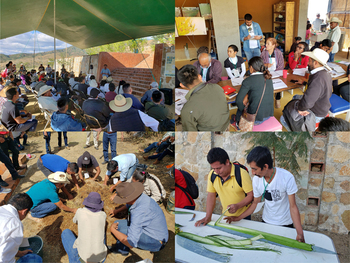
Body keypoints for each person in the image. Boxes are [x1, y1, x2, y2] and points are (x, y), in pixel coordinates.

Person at [228, 146, 305, 243]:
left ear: (265, 166)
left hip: (285, 223)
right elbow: (255, 203)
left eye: (255, 169)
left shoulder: (286, 177)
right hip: (266, 222)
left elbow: (293, 207)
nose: (253, 173)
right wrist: (237, 218)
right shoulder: (256, 180)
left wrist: (300, 233)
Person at [195, 147, 253, 227]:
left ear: (227, 162)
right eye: (213, 168)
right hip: (226, 217)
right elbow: (211, 195)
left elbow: (251, 195)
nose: (216, 171)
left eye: (219, 168)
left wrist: (237, 206)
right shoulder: (212, 175)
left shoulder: (241, 174)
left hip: (243, 217)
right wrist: (208, 216)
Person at [108, 182, 168, 255]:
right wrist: (116, 211)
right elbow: (128, 204)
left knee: (121, 230)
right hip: (153, 228)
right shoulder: (141, 197)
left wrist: (112, 230)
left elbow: (131, 243)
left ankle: (122, 251)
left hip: (155, 240)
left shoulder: (139, 213)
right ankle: (122, 248)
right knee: (117, 223)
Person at [282, 48, 332, 128]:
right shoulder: (324, 73)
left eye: (309, 60)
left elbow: (308, 101)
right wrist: (304, 82)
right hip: (322, 104)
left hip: (316, 112)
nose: (308, 62)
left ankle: (297, 137)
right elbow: (318, 89)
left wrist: (301, 109)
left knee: (283, 118)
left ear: (315, 63)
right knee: (295, 97)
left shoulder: (318, 78)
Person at [177, 64, 230, 131]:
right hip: (226, 126)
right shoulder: (217, 87)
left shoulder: (187, 109)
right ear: (200, 77)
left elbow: (191, 134)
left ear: (182, 85)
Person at [61, 192, 107, 263]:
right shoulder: (103, 215)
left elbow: (74, 221)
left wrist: (77, 213)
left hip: (82, 259)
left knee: (65, 232)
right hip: (100, 258)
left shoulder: (80, 212)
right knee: (100, 230)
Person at [0, 193, 43, 263]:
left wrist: (20, 253)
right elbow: (4, 257)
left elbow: (4, 245)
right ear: (24, 211)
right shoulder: (15, 224)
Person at [233, 57, 274, 128]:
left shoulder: (248, 80)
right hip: (268, 114)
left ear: (251, 68)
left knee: (241, 105)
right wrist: (248, 95)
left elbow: (238, 101)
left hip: (254, 118)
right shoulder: (268, 77)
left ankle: (237, 123)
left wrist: (244, 110)